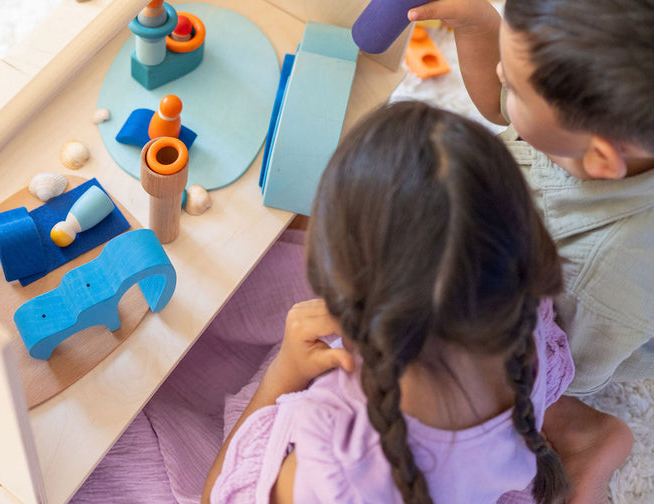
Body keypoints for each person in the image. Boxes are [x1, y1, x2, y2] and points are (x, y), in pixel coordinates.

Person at [204, 100, 618, 504]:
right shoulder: (527, 319)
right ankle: (589, 435)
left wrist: (284, 373)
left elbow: (218, 496)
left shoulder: (336, 456)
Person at [380, 0, 654, 399]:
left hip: (566, 343)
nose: (499, 75)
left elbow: (569, 372)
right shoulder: (588, 131)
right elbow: (500, 104)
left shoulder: (603, 276)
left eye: (515, 86)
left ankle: (588, 434)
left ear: (599, 156)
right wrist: (474, 20)